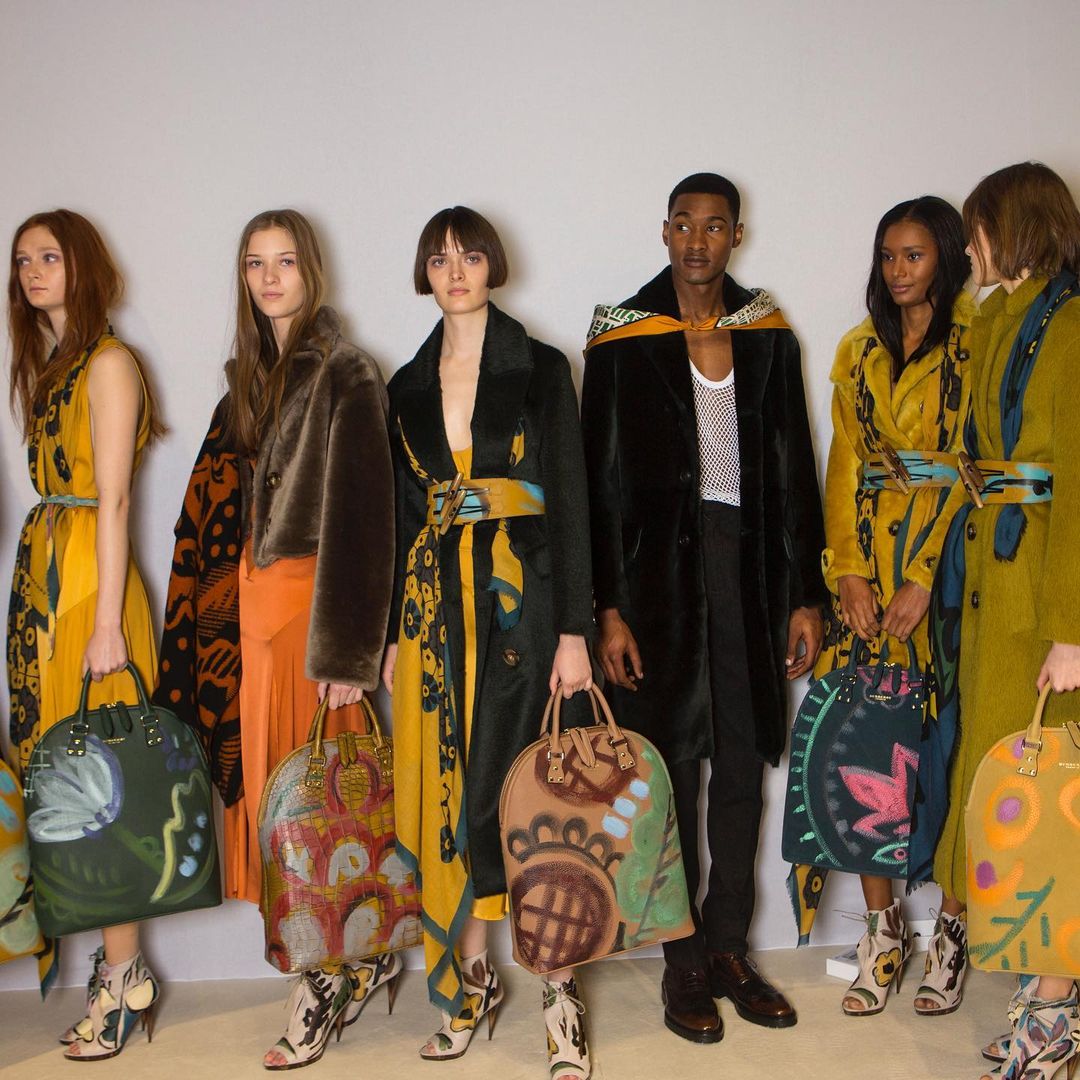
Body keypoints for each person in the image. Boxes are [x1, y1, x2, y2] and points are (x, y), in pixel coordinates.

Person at [580, 173, 826, 1043]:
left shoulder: (765, 336)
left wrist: (805, 595)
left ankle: (729, 950)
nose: (696, 241)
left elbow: (795, 468)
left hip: (748, 574)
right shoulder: (622, 338)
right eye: (683, 225)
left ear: (736, 237)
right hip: (655, 585)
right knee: (672, 770)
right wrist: (607, 608)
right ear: (664, 232)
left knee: (742, 767)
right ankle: (681, 959)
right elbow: (598, 482)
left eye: (714, 227)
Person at [382, 206, 595, 1079]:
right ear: (425, 274)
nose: (455, 272)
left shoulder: (541, 368)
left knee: (533, 798)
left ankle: (560, 996)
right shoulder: (405, 384)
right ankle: (469, 984)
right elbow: (403, 518)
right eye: (439, 260)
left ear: (491, 264)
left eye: (469, 255)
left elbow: (573, 502)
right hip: (435, 614)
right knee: (451, 800)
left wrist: (576, 628)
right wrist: (392, 634)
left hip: (524, 609)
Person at [213, 209, 396, 1070]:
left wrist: (348, 655)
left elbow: (365, 518)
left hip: (312, 618)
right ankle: (343, 964)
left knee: (318, 810)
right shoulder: (253, 375)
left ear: (310, 271)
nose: (269, 278)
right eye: (256, 263)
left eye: (284, 261)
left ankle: (322, 980)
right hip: (258, 615)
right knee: (276, 803)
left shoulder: (346, 370)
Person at [925, 164, 1080, 1080]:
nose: (967, 246)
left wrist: (1073, 631)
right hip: (995, 590)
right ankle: (1045, 994)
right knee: (1005, 797)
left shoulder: (1070, 326)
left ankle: (1055, 1012)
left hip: (1041, 609)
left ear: (1011, 230)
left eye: (976, 229)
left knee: (1049, 807)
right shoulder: (1002, 320)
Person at [803, 196, 974, 1016]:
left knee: (945, 754)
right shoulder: (858, 349)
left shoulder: (976, 344)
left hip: (941, 579)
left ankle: (952, 932)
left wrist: (923, 575)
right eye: (889, 256)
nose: (899, 271)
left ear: (947, 256)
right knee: (863, 751)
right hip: (867, 576)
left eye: (915, 254)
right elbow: (843, 467)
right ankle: (881, 933)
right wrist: (848, 573)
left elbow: (974, 466)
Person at [6, 209, 163, 1059]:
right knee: (60, 785)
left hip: (88, 595)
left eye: (49, 257)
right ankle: (120, 971)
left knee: (103, 787)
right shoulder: (54, 364)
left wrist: (106, 623)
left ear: (84, 266)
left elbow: (115, 498)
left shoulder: (108, 363)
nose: (33, 271)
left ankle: (124, 978)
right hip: (47, 582)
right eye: (22, 259)